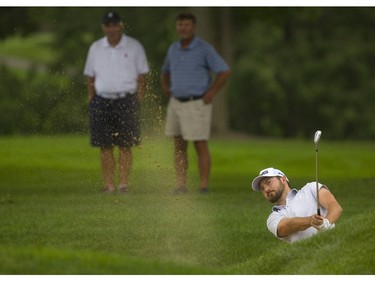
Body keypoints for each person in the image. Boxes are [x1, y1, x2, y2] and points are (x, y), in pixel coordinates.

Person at [160, 12, 230, 194]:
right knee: (179, 144)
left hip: (197, 103)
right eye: (180, 24)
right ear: (177, 27)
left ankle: (203, 185)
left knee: (200, 143)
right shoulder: (173, 48)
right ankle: (180, 185)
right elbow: (165, 70)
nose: (183, 28)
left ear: (194, 27)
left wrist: (212, 91)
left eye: (186, 24)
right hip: (176, 102)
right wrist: (166, 86)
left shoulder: (204, 48)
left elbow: (224, 71)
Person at [83, 11, 149, 194]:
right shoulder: (95, 48)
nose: (112, 28)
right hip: (101, 100)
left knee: (125, 144)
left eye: (115, 24)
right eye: (108, 25)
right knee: (104, 145)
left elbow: (142, 75)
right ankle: (109, 184)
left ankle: (123, 183)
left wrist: (139, 97)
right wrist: (91, 99)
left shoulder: (134, 46)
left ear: (120, 25)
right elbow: (90, 76)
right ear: (103, 27)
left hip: (126, 100)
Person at [251, 167, 343, 243]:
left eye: (269, 182)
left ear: (283, 179)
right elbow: (286, 226)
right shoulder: (273, 218)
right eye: (262, 188)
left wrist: (326, 223)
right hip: (307, 259)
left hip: (333, 247)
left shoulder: (310, 188)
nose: (266, 189)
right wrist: (311, 220)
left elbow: (335, 207)